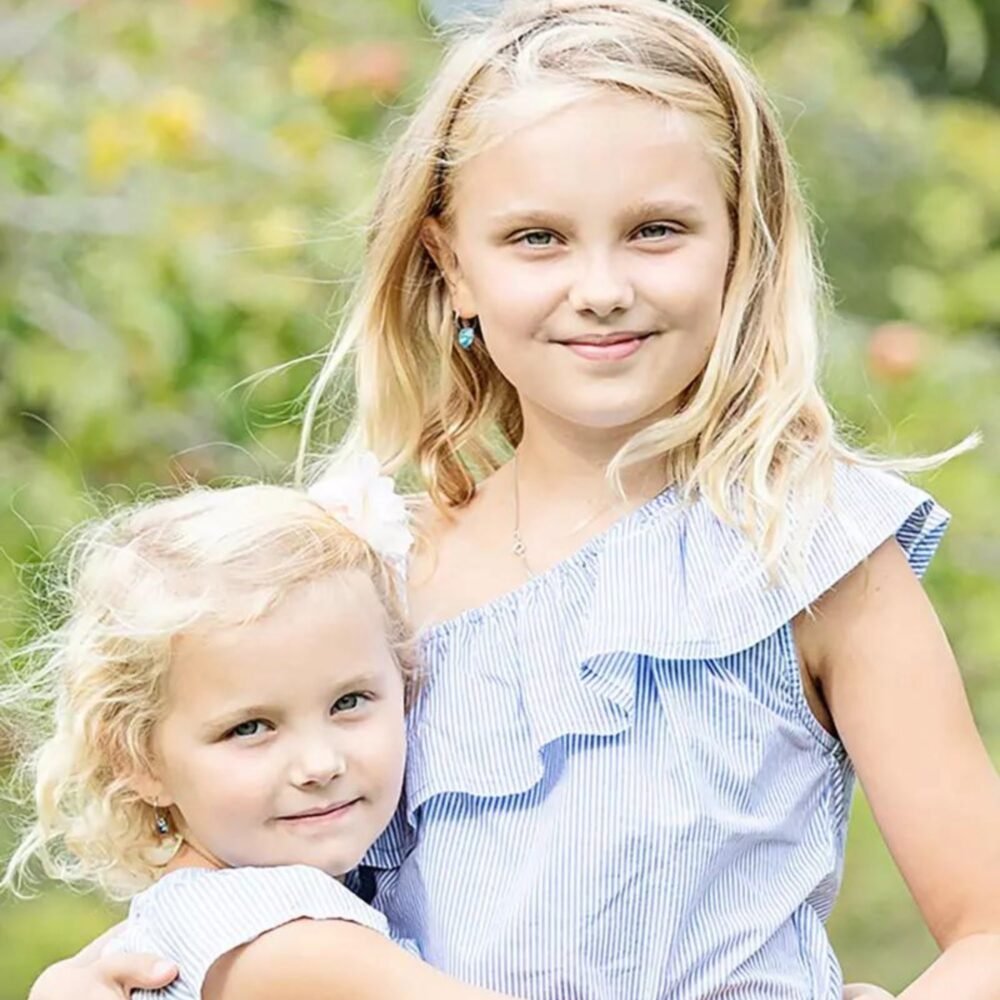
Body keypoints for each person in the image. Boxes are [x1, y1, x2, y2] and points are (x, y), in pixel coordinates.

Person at [26, 0, 1000, 997]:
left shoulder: (804, 547)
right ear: (452, 267)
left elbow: (988, 932)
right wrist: (98, 973)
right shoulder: (379, 579)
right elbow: (245, 894)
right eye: (537, 238)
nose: (602, 286)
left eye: (655, 230)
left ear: (738, 244)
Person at [4, 456, 522, 1000]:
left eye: (349, 701)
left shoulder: (199, 918)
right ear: (139, 760)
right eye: (250, 728)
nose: (320, 764)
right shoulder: (280, 941)